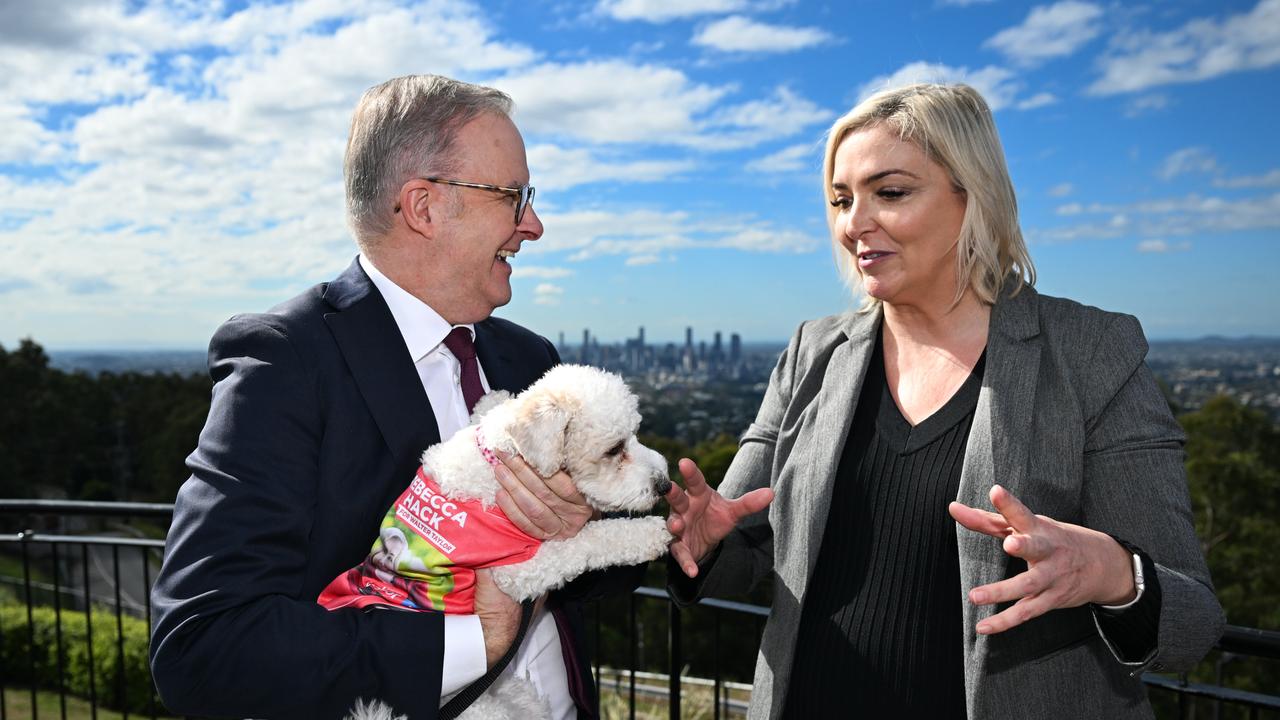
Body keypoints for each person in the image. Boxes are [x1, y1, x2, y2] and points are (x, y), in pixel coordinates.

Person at [665, 83, 1224, 718]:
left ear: (973, 195)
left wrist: (1113, 574)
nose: (854, 224)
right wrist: (705, 544)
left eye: (891, 193)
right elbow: (743, 550)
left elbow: (1193, 623)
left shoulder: (1091, 356)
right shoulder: (810, 354)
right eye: (841, 200)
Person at [150, 74, 635, 719]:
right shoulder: (288, 359)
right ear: (424, 206)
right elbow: (203, 648)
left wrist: (664, 532)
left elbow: (573, 564)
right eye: (515, 197)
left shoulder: (529, 359)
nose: (534, 226)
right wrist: (472, 641)